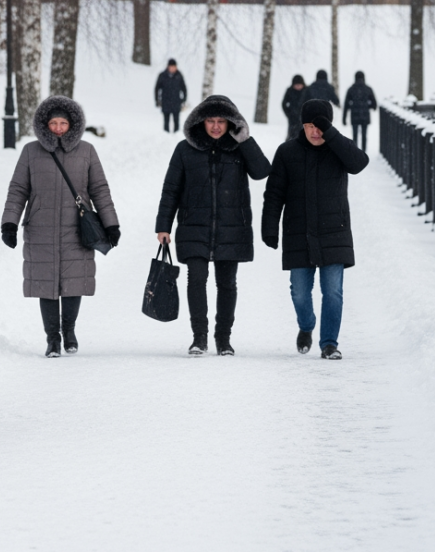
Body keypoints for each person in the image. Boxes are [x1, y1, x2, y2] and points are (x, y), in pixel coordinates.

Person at [2, 96, 120, 357]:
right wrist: (9, 223)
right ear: (45, 124)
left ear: (72, 124)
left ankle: (69, 331)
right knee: (46, 283)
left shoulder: (87, 150)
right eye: (53, 123)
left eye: (63, 123)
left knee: (73, 280)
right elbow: (18, 189)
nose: (57, 128)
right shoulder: (31, 151)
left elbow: (99, 189)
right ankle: (52, 338)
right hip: (40, 227)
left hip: (77, 228)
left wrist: (111, 224)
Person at [156, 95, 271, 356]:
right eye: (211, 121)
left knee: (227, 283)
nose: (216, 126)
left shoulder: (239, 147)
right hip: (193, 226)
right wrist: (163, 225)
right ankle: (199, 337)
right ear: (202, 121)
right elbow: (171, 190)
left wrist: (245, 140)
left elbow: (262, 171)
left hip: (232, 228)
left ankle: (223, 339)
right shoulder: (185, 149)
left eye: (221, 121)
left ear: (231, 123)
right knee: (196, 279)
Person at [261, 99, 369, 360]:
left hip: (334, 232)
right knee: (299, 292)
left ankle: (329, 343)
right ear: (303, 126)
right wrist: (269, 227)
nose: (315, 132)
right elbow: (274, 193)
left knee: (332, 291)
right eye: (310, 125)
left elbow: (359, 162)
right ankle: (306, 325)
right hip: (298, 232)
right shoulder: (287, 152)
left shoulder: (339, 150)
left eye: (320, 126)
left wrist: (331, 134)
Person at [342, 71, 378, 151]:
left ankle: (355, 152)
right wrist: (368, 106)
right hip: (365, 115)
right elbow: (374, 104)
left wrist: (344, 118)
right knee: (364, 135)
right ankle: (363, 152)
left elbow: (346, 104)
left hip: (354, 115)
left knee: (355, 135)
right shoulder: (368, 89)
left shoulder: (351, 89)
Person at [155, 58, 188, 133]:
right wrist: (157, 100)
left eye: (174, 66)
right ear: (168, 67)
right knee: (166, 122)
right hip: (165, 102)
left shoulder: (179, 76)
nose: (173, 68)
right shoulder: (162, 75)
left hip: (176, 102)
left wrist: (184, 99)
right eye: (171, 66)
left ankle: (176, 138)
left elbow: (184, 88)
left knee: (176, 122)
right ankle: (165, 137)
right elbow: (157, 88)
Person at [280, 74, 308, 141]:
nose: (298, 86)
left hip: (304, 117)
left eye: (299, 85)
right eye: (296, 85)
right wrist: (288, 113)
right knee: (292, 134)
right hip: (292, 116)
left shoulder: (307, 91)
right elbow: (284, 103)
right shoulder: (290, 91)